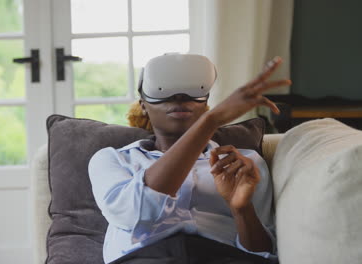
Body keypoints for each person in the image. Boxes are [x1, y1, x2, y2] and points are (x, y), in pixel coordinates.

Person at [88, 53, 291, 264]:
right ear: (143, 106)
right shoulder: (112, 160)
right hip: (143, 257)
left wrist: (241, 209)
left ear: (205, 105)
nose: (179, 98)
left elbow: (262, 255)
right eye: (164, 92)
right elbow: (134, 215)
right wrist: (210, 122)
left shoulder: (243, 163)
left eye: (191, 92)